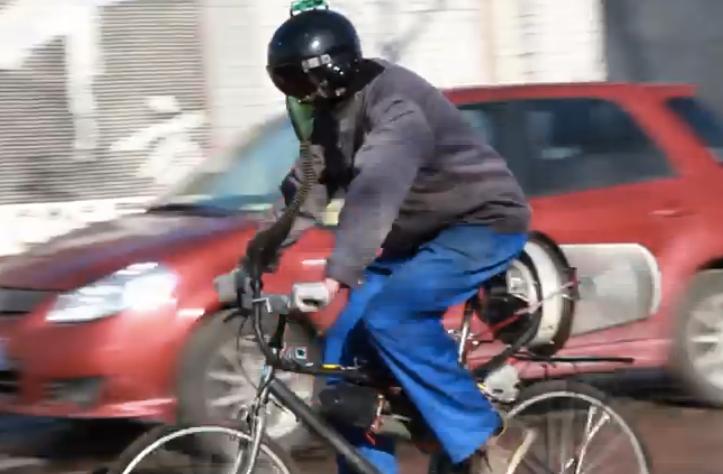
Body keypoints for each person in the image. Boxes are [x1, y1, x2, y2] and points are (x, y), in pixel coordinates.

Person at [266, 5, 535, 474]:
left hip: (480, 223)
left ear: (330, 72)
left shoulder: (395, 107)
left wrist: (337, 277)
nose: (297, 97)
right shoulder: (332, 115)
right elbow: (305, 191)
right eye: (286, 85)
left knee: (394, 316)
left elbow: (374, 194)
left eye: (298, 84)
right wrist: (254, 258)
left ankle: (490, 435)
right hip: (416, 239)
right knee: (342, 365)